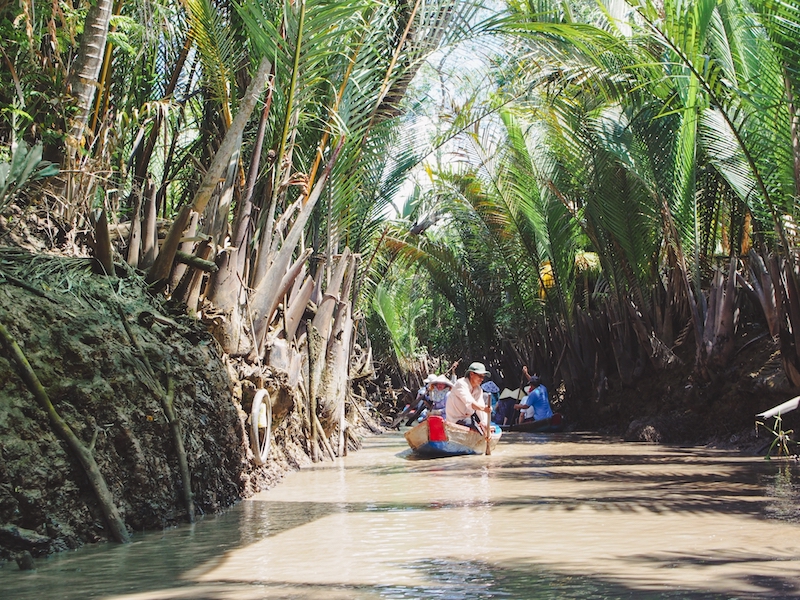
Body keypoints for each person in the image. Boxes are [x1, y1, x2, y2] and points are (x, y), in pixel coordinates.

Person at [446, 361, 492, 431]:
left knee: (482, 426)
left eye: (483, 377)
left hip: (468, 418)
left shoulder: (478, 389)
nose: (482, 379)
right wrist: (484, 408)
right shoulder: (461, 384)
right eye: (480, 376)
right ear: (471, 374)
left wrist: (484, 422)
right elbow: (470, 402)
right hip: (455, 420)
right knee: (472, 425)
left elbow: (480, 406)